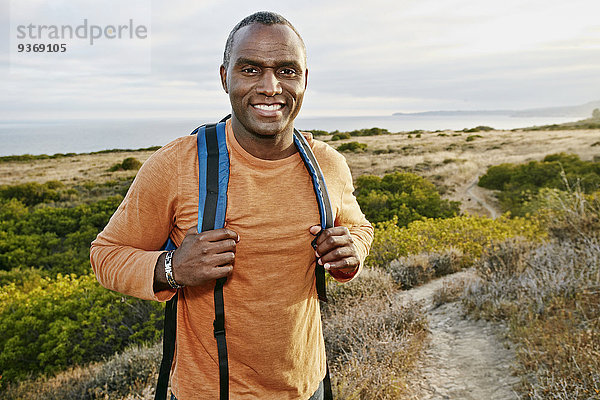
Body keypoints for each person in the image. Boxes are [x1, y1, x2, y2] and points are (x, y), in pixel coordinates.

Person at [90, 11, 373, 400]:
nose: (271, 86)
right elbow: (105, 256)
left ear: (305, 79)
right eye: (251, 69)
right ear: (225, 77)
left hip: (308, 388)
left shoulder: (327, 164)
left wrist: (352, 251)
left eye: (287, 70)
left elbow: (360, 227)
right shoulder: (176, 163)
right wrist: (173, 268)